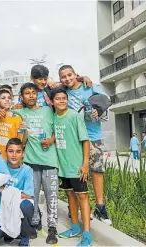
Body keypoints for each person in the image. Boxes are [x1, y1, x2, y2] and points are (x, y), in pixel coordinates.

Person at [58, 64, 112, 226]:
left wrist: (99, 111)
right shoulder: (63, 91)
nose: (67, 78)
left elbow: (106, 100)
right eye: (63, 76)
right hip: (74, 140)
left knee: (96, 171)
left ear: (76, 74)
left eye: (70, 75)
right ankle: (75, 206)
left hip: (93, 136)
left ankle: (100, 208)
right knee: (76, 174)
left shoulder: (90, 86)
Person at [13, 83, 59, 244]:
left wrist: (52, 139)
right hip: (30, 162)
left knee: (51, 196)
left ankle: (52, 228)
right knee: (31, 195)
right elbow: (4, 111)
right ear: (22, 96)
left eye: (34, 92)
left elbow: (57, 128)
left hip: (50, 161)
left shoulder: (47, 110)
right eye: (27, 93)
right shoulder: (19, 112)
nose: (31, 95)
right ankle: (34, 222)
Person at [52, 89, 92, 247]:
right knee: (70, 196)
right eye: (58, 98)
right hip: (63, 167)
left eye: (64, 98)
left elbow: (85, 140)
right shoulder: (54, 117)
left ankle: (87, 233)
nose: (61, 101)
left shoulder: (74, 116)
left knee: (83, 197)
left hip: (77, 166)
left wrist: (85, 164)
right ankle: (75, 227)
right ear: (52, 102)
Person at [0, 138, 35, 246]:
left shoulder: (27, 170)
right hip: (2, 208)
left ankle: (25, 234)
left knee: (27, 205)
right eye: (10, 151)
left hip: (18, 208)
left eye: (18, 152)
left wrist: (6, 191)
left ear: (23, 154)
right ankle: (11, 234)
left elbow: (29, 195)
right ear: (6, 152)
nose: (14, 155)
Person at [0, 89, 26, 159]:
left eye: (9, 98)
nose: (7, 100)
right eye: (3, 98)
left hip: (11, 157)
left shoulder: (17, 118)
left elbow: (20, 139)